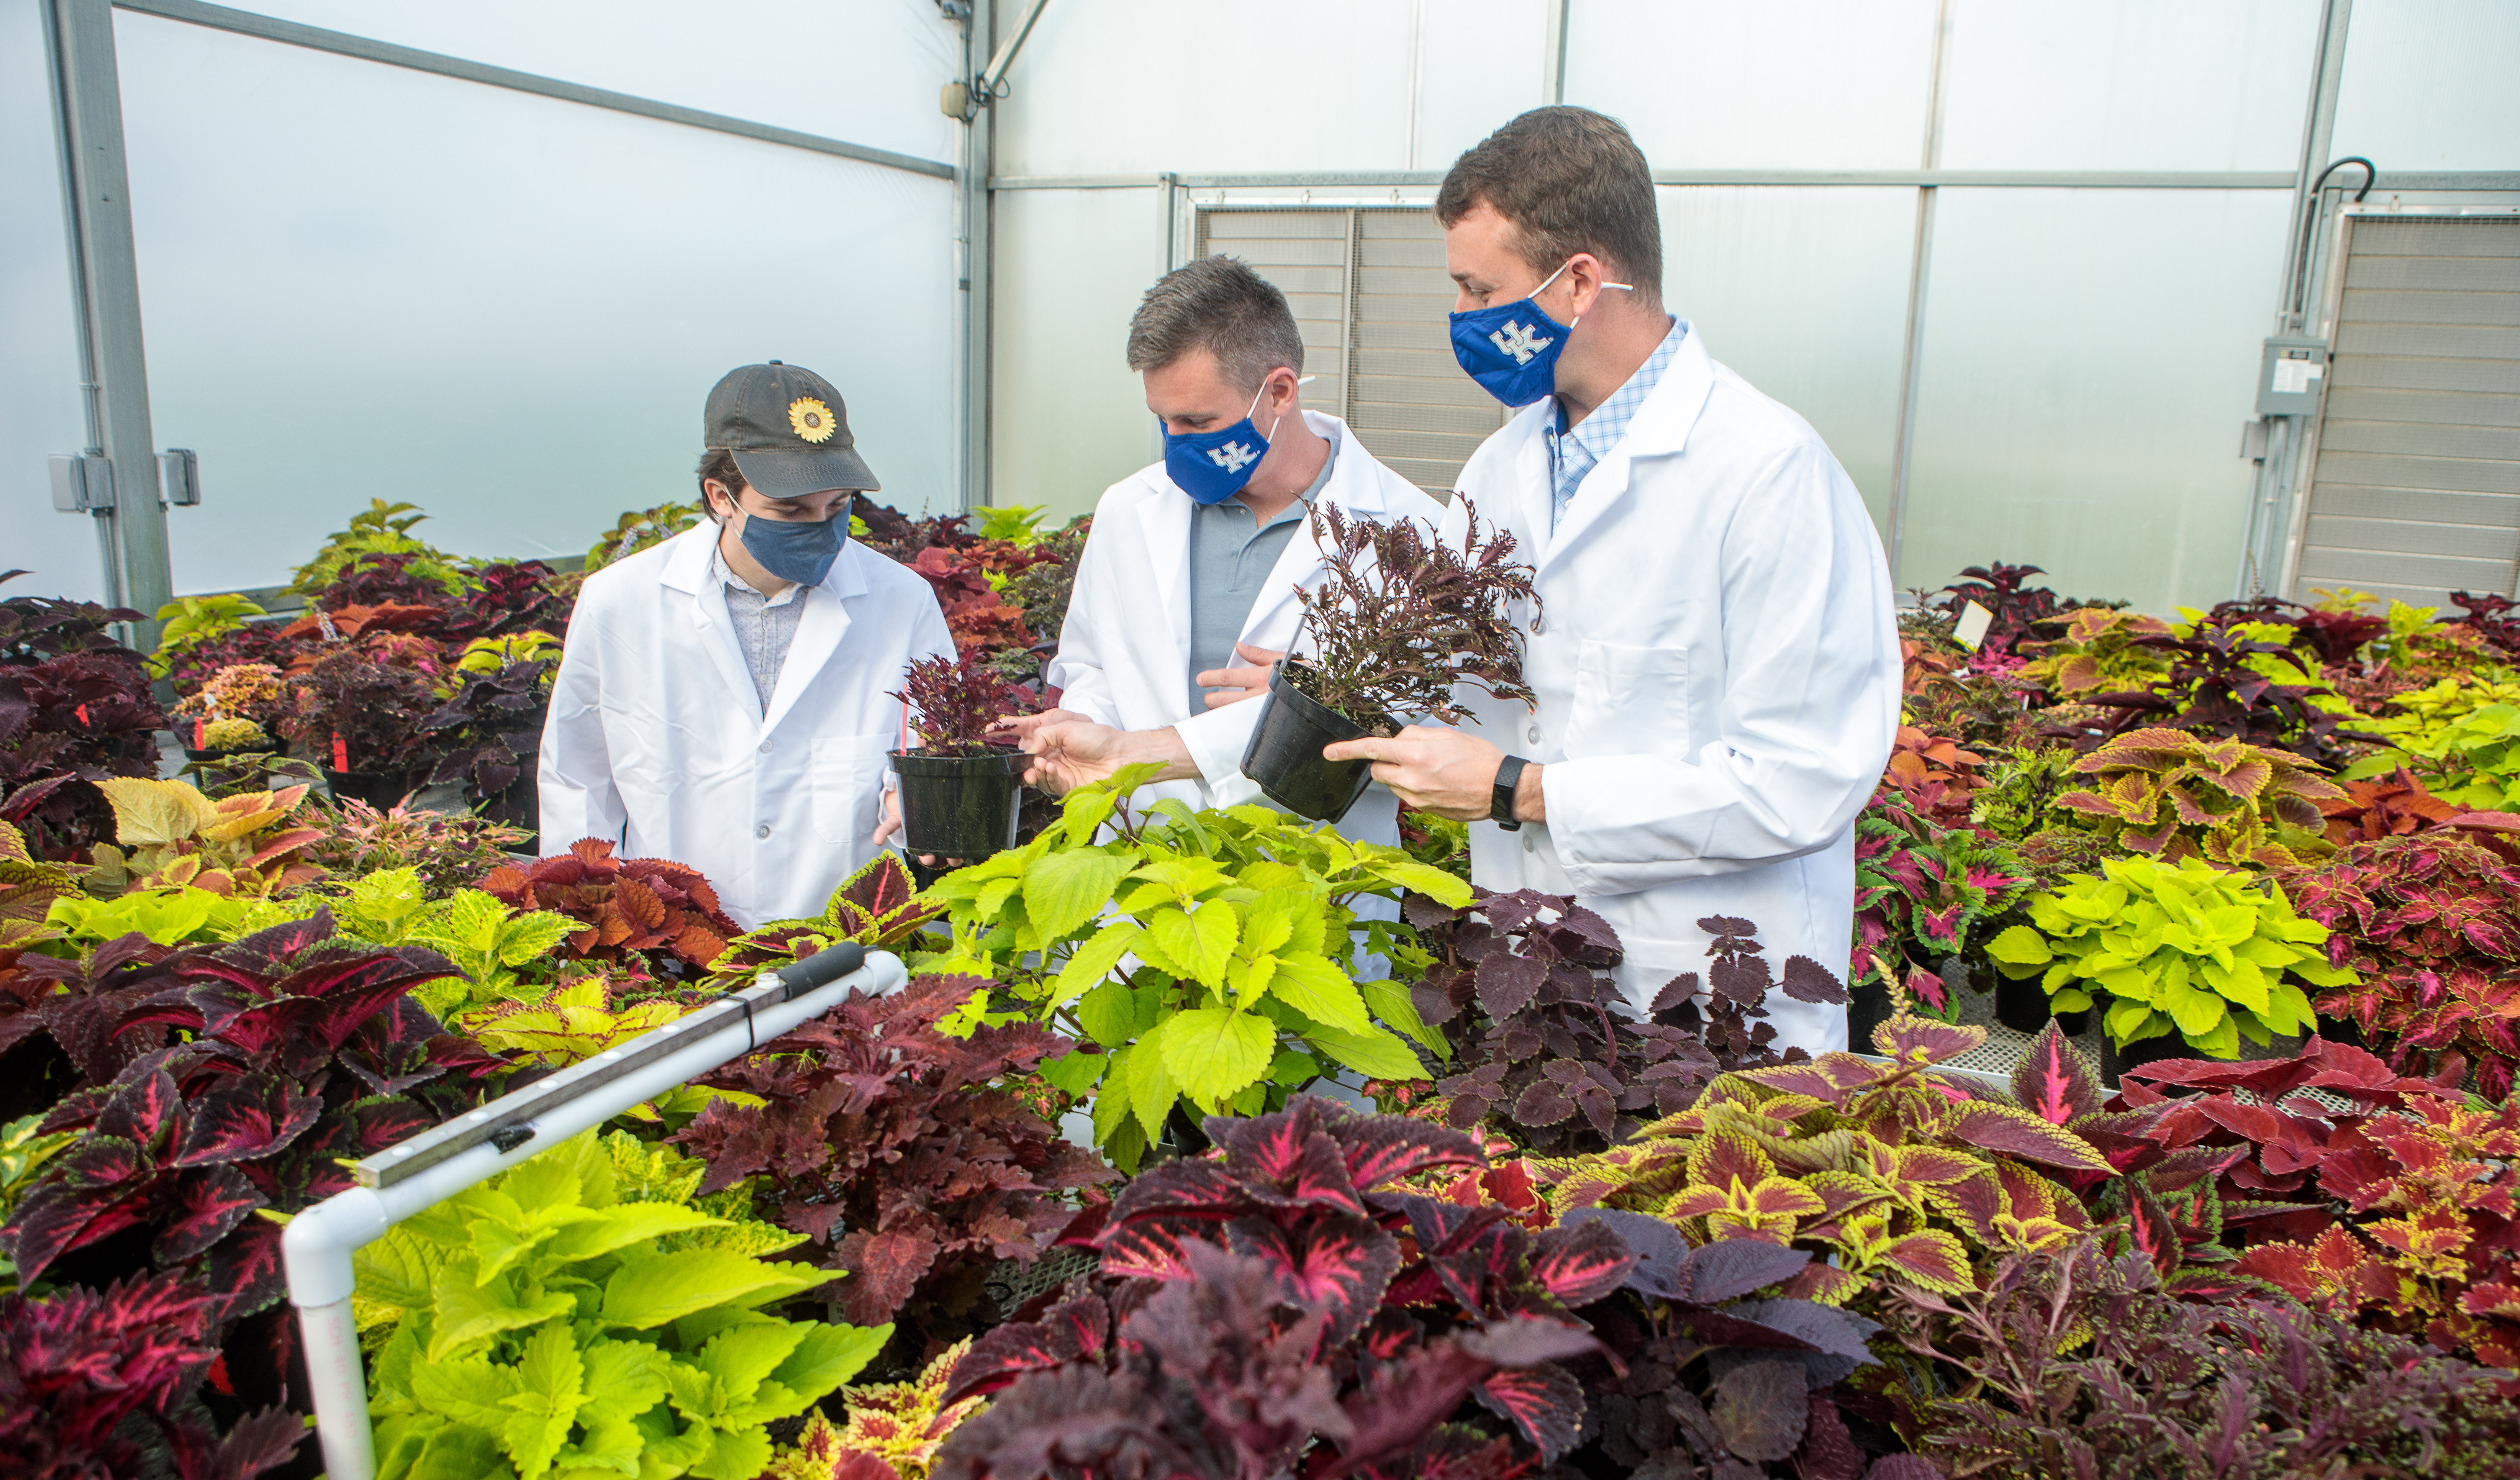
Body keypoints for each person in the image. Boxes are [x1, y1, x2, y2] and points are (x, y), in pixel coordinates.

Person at [1321, 107, 1901, 1053]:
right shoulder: (1500, 470)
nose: (1464, 320)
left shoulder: (1766, 470)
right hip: (1535, 971)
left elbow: (1802, 777)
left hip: (1713, 991)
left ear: (1580, 280)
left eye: (1480, 289)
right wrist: (1351, 686)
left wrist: (1522, 788)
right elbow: (1492, 696)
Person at [1005, 256, 1445, 848]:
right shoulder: (1128, 510)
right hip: (1145, 868)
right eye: (1163, 421)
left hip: (1312, 877)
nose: (1176, 445)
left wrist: (1315, 700)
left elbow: (1430, 725)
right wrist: (1088, 723)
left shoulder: (1411, 532)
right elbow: (1095, 664)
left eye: (1198, 421)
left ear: (1280, 392)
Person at [538, 360, 955, 926]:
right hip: (675, 936)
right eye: (790, 511)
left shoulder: (901, 601)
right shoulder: (620, 602)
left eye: (837, 508)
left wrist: (915, 801)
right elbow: (577, 779)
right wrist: (582, 918)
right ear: (720, 497)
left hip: (847, 939)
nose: (820, 528)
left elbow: (933, 751)